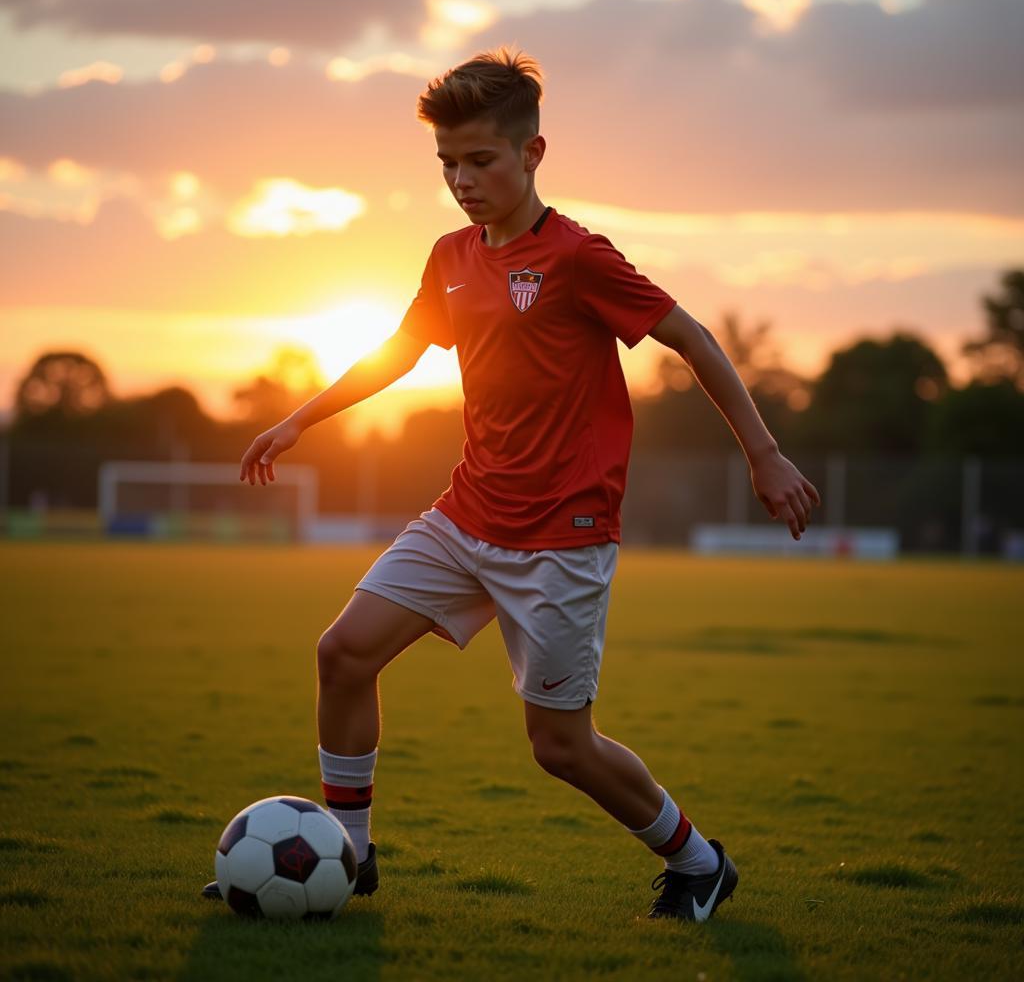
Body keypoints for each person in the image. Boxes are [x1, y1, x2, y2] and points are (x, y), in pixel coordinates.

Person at [205, 47, 820, 921]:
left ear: (533, 154)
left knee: (560, 746)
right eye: (447, 164)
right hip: (467, 514)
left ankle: (699, 862)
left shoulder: (578, 257)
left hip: (563, 535)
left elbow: (692, 337)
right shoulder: (451, 256)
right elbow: (400, 350)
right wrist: (302, 417)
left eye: (480, 160)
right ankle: (349, 853)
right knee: (342, 655)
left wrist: (763, 452)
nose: (461, 179)